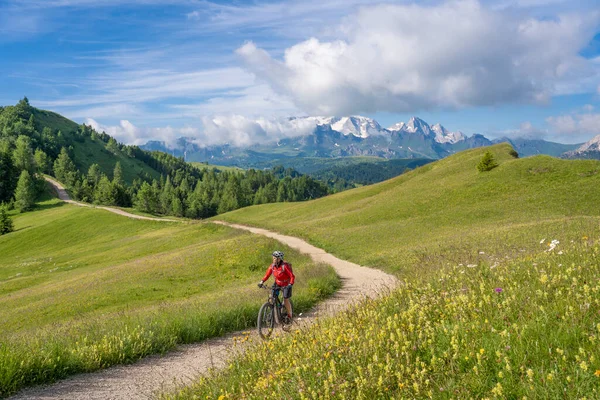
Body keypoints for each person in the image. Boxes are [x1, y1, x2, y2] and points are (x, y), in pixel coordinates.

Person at [258, 250, 295, 322]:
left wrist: (290, 284)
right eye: (273, 258)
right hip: (277, 283)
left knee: (285, 299)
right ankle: (272, 311)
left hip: (286, 284)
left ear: (279, 259)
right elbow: (267, 275)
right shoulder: (272, 266)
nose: (274, 259)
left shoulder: (285, 266)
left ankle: (289, 315)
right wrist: (261, 281)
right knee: (271, 296)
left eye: (275, 258)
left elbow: (292, 276)